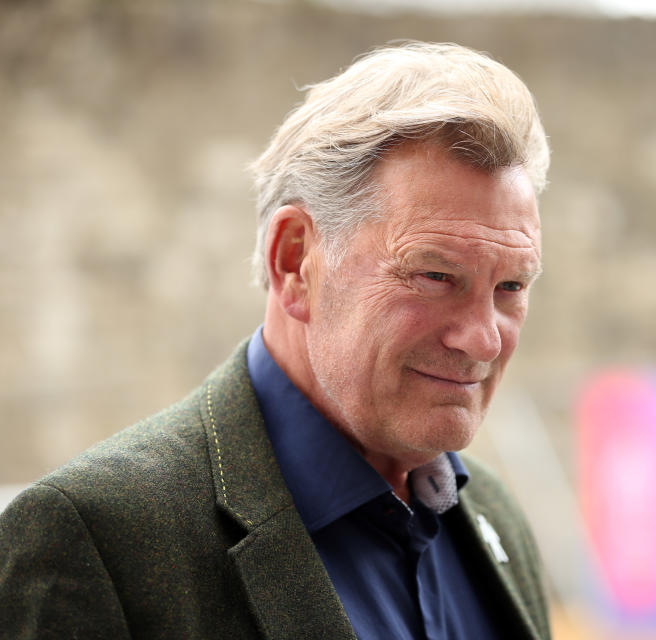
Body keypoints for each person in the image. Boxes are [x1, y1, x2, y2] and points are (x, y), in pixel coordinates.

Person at [0, 41, 551, 639]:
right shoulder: (96, 540)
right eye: (436, 275)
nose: (484, 340)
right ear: (295, 261)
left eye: (511, 285)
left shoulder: (495, 518)